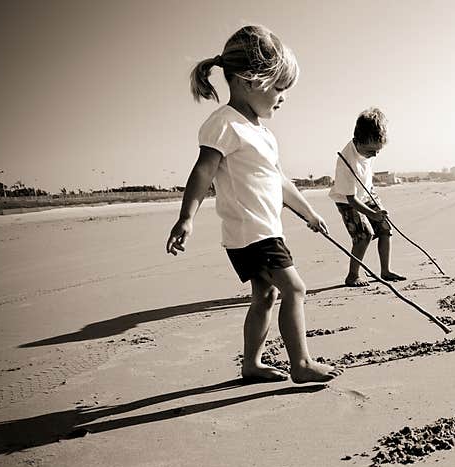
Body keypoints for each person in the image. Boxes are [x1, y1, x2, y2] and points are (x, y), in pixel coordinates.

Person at [166, 25, 341, 384]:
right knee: (295, 289)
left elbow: (279, 181)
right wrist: (187, 217)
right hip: (252, 232)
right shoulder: (224, 124)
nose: (283, 97)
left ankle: (252, 364)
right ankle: (302, 363)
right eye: (278, 88)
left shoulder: (260, 131)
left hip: (259, 231)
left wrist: (309, 213)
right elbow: (202, 171)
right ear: (249, 80)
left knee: (266, 295)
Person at [328, 108, 406, 287]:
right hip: (348, 199)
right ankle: (352, 275)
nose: (375, 155)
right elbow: (351, 200)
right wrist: (372, 214)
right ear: (359, 139)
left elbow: (365, 176)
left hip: (367, 193)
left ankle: (385, 271)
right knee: (364, 235)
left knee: (386, 227)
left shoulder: (367, 147)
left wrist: (377, 213)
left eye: (378, 150)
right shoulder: (346, 162)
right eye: (372, 150)